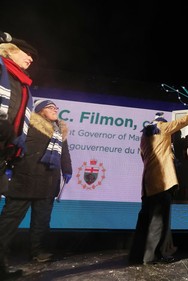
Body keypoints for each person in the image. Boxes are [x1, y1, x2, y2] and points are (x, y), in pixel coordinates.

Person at [0, 99, 72, 279]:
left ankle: (37, 251)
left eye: (56, 108)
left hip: (48, 182)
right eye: (50, 107)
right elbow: (12, 146)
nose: (55, 110)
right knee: (10, 220)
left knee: (42, 221)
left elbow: (64, 154)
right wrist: (9, 165)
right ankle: (1, 253)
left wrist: (67, 170)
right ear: (40, 111)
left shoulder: (59, 130)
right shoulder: (28, 125)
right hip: (24, 180)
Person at [128, 109, 188, 265]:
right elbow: (180, 123)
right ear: (161, 122)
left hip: (147, 182)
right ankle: (151, 257)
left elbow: (143, 157)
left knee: (144, 220)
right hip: (161, 181)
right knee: (158, 222)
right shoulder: (162, 128)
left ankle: (136, 255)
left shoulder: (144, 136)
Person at [0, 32, 39, 280]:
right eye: (28, 54)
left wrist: (15, 147)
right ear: (10, 51)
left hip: (4, 152)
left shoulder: (22, 83)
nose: (31, 59)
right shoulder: (2, 70)